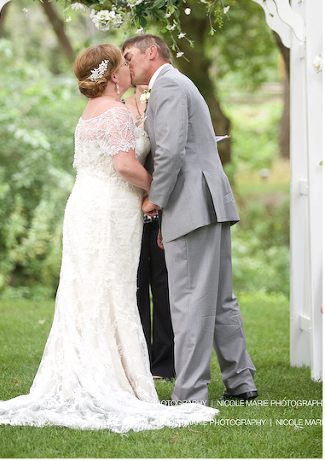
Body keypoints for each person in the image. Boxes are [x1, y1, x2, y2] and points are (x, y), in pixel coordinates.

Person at [0, 45, 217, 432]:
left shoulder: (92, 111)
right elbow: (124, 164)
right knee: (112, 289)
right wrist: (156, 190)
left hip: (84, 205)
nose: (128, 69)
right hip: (109, 208)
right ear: (112, 76)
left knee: (89, 290)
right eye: (123, 65)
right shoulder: (116, 113)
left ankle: (90, 368)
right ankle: (112, 376)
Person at [122, 34, 257, 405]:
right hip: (209, 203)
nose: (126, 65)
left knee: (189, 302)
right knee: (219, 299)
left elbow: (169, 153)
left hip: (191, 204)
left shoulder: (167, 86)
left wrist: (156, 200)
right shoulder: (178, 83)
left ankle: (190, 393)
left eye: (130, 57)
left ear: (152, 52)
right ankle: (240, 382)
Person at [123, 85, 176, 381]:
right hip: (130, 205)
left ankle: (166, 362)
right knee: (136, 284)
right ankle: (140, 359)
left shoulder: (168, 102)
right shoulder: (119, 108)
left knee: (165, 284)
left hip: (164, 202)